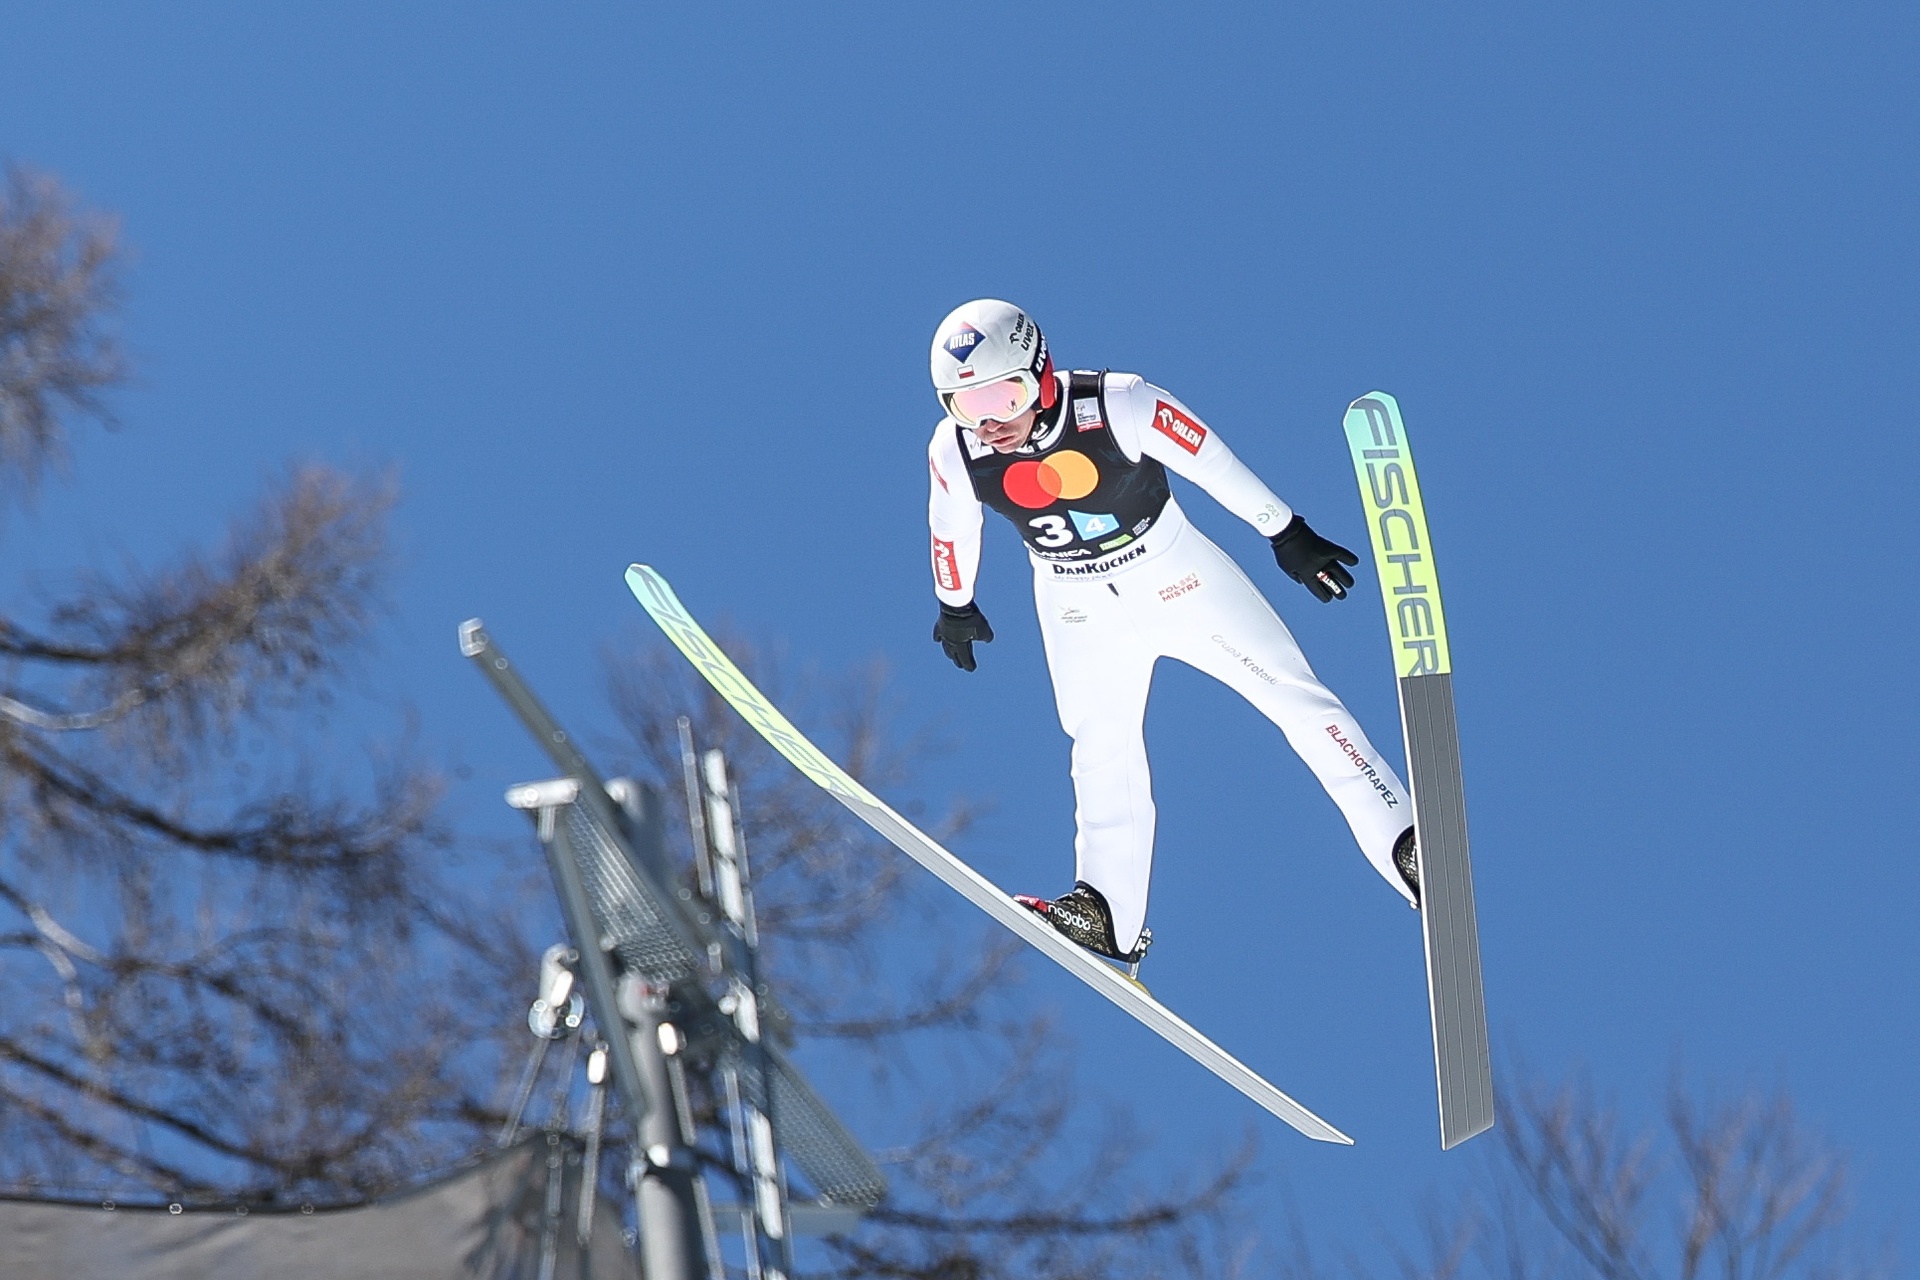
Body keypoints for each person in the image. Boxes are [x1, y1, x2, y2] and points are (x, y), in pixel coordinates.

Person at [924, 299, 1419, 968]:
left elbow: (1209, 459)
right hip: (1075, 605)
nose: (991, 421)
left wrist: (1285, 531)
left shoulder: (1117, 401)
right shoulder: (956, 449)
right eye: (966, 404)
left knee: (1297, 698)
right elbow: (952, 525)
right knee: (1100, 747)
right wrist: (955, 603)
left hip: (1177, 576)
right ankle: (1106, 913)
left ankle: (1407, 843)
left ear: (1039, 371)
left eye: (1003, 394)